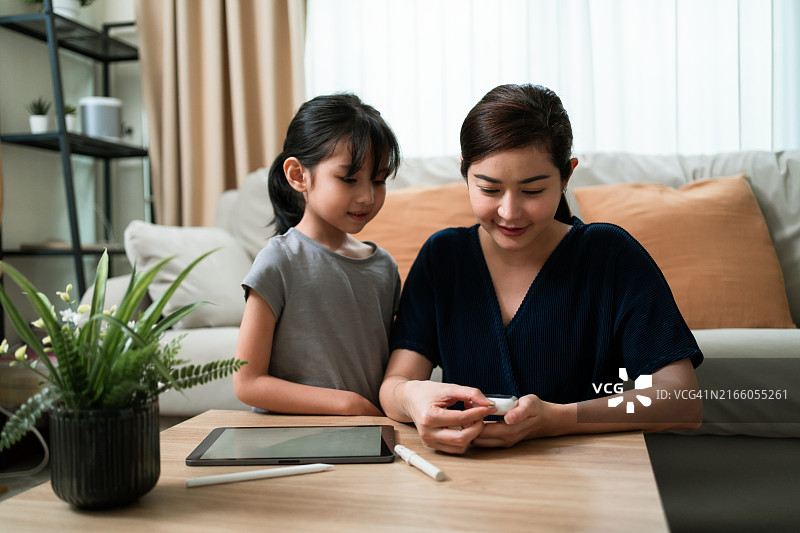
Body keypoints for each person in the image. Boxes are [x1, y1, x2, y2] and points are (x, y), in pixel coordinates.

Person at [379, 84, 703, 454]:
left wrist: (556, 420)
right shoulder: (444, 256)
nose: (509, 212)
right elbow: (395, 385)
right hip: (464, 476)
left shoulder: (610, 255)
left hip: (585, 477)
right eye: (488, 189)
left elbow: (681, 400)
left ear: (567, 176)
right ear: (465, 175)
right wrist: (414, 399)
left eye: (532, 191)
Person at [234, 93, 402, 416]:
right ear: (299, 175)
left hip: (366, 438)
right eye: (349, 179)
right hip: (292, 439)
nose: (367, 196)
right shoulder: (279, 260)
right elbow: (247, 381)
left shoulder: (384, 267)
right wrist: (347, 404)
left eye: (378, 180)